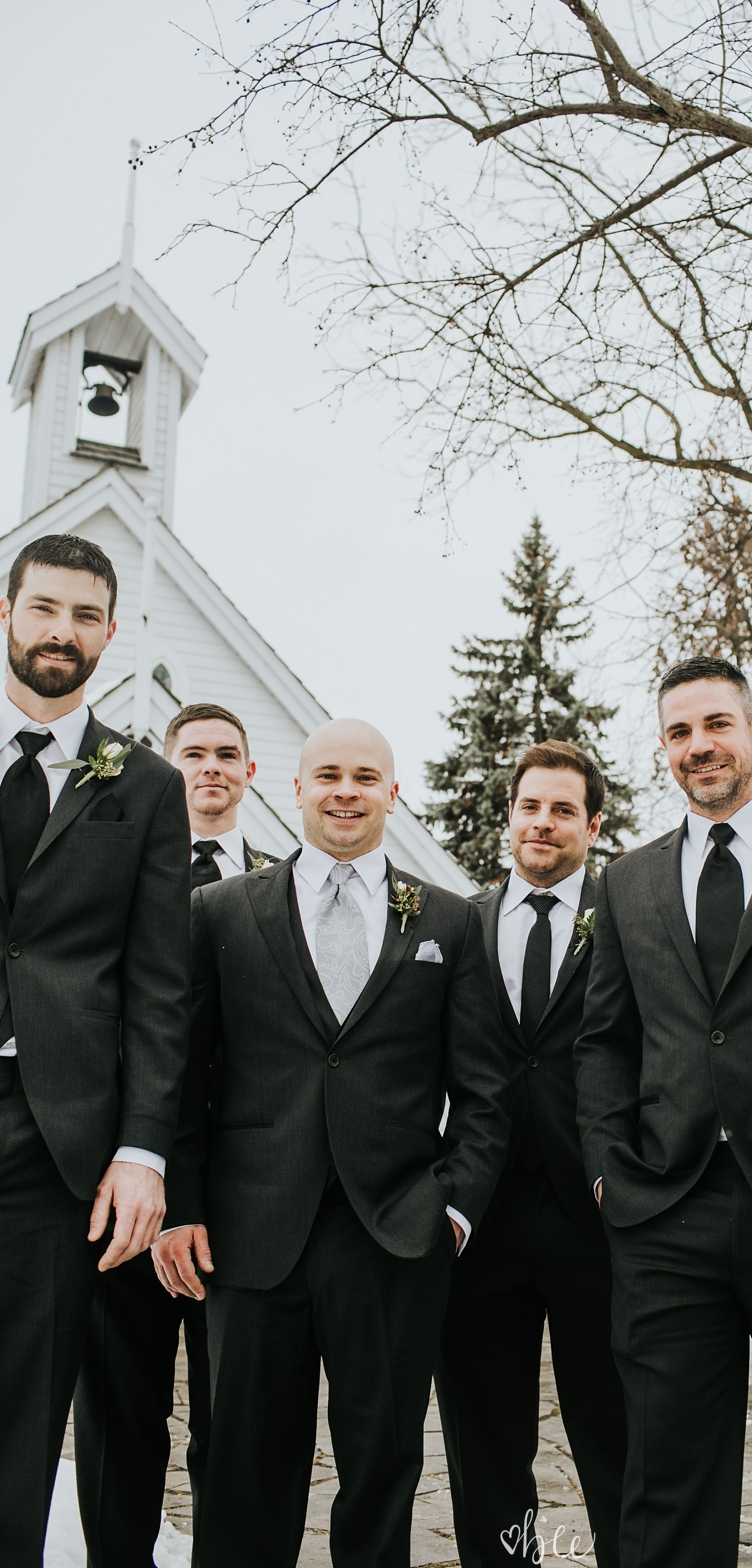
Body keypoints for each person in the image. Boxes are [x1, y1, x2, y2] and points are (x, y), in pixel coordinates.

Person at [152, 718, 510, 1568]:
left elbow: (486, 1088)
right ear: (297, 788)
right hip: (248, 1234)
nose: (344, 790)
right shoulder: (222, 910)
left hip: (392, 1233)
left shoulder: (449, 922)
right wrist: (185, 1206)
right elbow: (181, 1076)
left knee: (383, 1463)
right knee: (242, 1465)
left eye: (364, 776)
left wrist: (451, 1209)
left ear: (392, 792)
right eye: (327, 775)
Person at [575, 657, 752, 1568]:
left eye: (715, 724)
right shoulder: (627, 880)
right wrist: (608, 1172)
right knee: (668, 1474)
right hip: (665, 1211)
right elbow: (604, 1041)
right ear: (662, 747)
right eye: (678, 731)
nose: (698, 745)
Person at [0, 533, 190, 1568]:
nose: (62, 632)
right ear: (8, 614)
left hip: (52, 1136)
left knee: (27, 1406)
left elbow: (159, 982)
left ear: (110, 634)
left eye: (84, 616)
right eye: (44, 609)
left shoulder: (147, 786)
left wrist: (143, 1148)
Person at [74, 702, 280, 1567]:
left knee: (234, 1418)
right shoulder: (113, 875)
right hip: (126, 1182)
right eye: (193, 753)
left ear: (250, 773)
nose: (211, 768)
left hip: (241, 1198)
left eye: (228, 754)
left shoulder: (283, 886)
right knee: (121, 1412)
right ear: (168, 765)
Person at [436, 740, 626, 1568]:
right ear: (509, 815)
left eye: (561, 809)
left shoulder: (625, 918)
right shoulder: (458, 923)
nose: (541, 823)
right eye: (529, 806)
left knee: (619, 1436)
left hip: (597, 1217)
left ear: (592, 822)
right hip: (481, 1218)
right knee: (485, 1444)